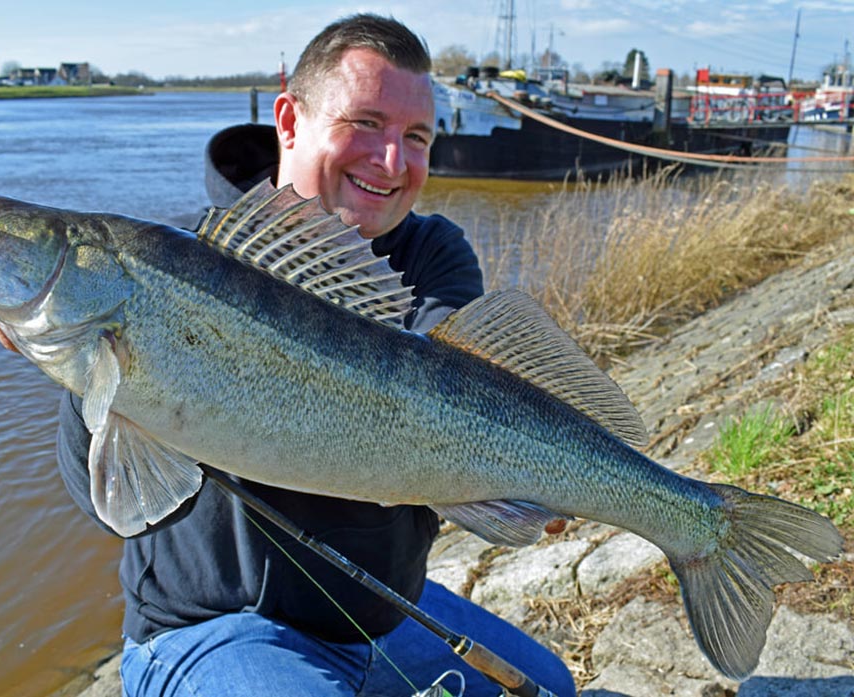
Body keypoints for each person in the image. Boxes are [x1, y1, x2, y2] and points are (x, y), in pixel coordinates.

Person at [53, 14, 577, 697]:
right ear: (291, 123)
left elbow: (462, 400)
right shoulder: (170, 268)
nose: (393, 161)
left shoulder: (431, 254)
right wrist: (86, 360)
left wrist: (540, 476)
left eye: (416, 136)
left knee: (554, 686)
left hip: (383, 617)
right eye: (365, 123)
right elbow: (102, 500)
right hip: (214, 631)